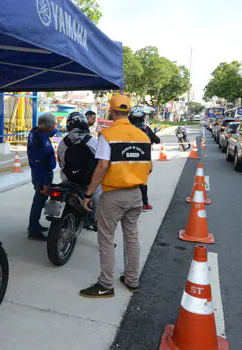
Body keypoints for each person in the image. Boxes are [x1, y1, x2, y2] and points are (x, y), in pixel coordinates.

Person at [79, 95, 152, 298]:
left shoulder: (108, 135)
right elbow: (150, 167)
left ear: (110, 111)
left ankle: (105, 285)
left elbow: (102, 166)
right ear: (128, 111)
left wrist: (89, 193)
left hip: (113, 195)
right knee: (131, 237)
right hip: (136, 194)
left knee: (106, 239)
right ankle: (132, 280)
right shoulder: (143, 136)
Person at [57, 112, 101, 230]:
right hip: (88, 183)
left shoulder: (62, 142)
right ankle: (97, 223)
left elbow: (61, 163)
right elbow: (101, 165)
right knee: (100, 200)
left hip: (67, 180)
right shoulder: (94, 141)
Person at [27, 113, 57, 241]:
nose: (54, 130)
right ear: (48, 127)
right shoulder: (40, 141)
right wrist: (44, 182)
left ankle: (35, 225)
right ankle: (33, 231)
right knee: (38, 202)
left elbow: (51, 132)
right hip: (42, 175)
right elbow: (39, 164)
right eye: (52, 127)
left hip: (40, 173)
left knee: (38, 201)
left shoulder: (36, 132)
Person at [128, 105, 161, 211]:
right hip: (143, 159)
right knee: (142, 181)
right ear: (143, 116)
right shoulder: (146, 128)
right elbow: (157, 140)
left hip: (126, 158)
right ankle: (145, 203)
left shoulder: (125, 128)